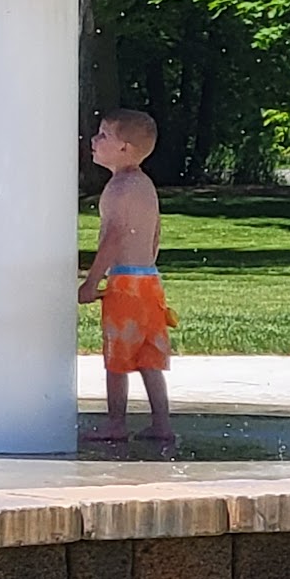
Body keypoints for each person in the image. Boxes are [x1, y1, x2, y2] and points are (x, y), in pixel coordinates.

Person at [78, 108, 178, 444]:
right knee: (150, 356)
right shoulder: (144, 185)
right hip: (149, 281)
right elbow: (154, 235)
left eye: (103, 135)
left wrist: (93, 280)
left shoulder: (119, 188)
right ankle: (161, 424)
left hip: (124, 284)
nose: (94, 140)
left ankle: (116, 423)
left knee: (117, 357)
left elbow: (114, 237)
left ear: (125, 148)